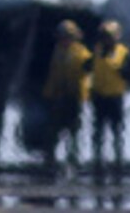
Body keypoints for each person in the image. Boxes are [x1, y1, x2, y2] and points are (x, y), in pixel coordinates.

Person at [87, 19, 130, 173]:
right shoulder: (96, 52)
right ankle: (97, 159)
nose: (106, 39)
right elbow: (86, 67)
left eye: (108, 36)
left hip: (115, 97)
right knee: (98, 131)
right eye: (104, 36)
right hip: (99, 97)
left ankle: (118, 160)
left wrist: (124, 72)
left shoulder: (123, 53)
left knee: (116, 131)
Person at [41, 19, 92, 170]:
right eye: (62, 36)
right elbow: (54, 73)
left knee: (74, 129)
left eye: (68, 36)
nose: (64, 39)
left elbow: (89, 67)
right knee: (54, 128)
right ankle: (50, 157)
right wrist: (49, 92)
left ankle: (73, 156)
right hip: (59, 96)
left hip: (74, 96)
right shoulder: (58, 52)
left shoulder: (81, 52)